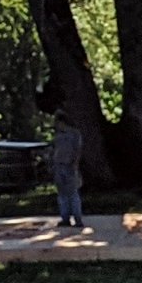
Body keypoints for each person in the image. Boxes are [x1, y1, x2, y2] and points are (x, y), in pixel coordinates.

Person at [49, 98, 87, 229]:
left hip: (70, 165)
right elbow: (54, 150)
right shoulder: (57, 136)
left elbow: (78, 150)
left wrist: (75, 164)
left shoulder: (74, 134)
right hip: (59, 166)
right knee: (62, 194)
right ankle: (65, 217)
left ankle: (77, 218)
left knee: (73, 193)